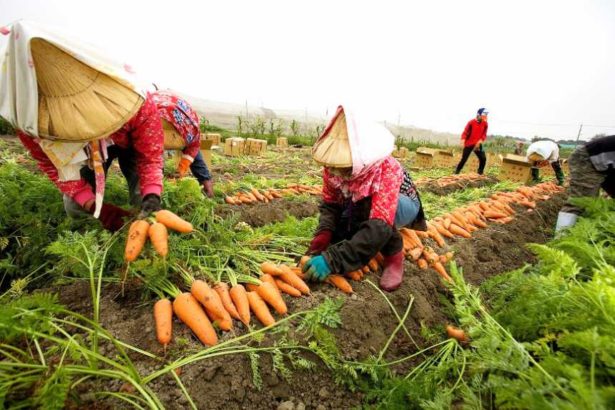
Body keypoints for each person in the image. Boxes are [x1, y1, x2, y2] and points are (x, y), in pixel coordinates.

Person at [1, 21, 164, 231]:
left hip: (128, 143)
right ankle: (91, 237)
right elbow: (54, 166)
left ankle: (144, 223)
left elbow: (150, 156)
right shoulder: (29, 121)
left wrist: (152, 194)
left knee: (143, 194)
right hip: (83, 153)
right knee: (74, 207)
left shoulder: (137, 101)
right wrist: (94, 206)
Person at [302, 106, 427, 292]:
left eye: (343, 168)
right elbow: (331, 204)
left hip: (403, 204)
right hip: (358, 201)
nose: (336, 173)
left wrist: (333, 261)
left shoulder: (385, 168)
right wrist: (324, 234)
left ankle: (394, 255)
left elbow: (380, 224)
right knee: (343, 229)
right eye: (334, 167)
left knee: (366, 212)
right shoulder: (333, 167)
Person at [152, 90, 214, 197]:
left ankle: (208, 189)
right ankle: (156, 189)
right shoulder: (150, 119)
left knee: (195, 156)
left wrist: (181, 169)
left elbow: (192, 151)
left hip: (178, 118)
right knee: (152, 157)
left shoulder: (191, 131)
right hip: (156, 117)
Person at [556, 135, 615, 231]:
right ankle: (560, 239)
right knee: (581, 201)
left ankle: (598, 229)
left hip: (609, 165)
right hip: (588, 158)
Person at [455, 108, 489, 174]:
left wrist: (481, 141)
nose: (484, 118)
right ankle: (457, 171)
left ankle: (480, 173)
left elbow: (484, 134)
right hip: (469, 144)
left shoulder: (485, 124)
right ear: (478, 115)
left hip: (478, 144)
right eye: (483, 116)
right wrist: (463, 140)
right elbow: (465, 132)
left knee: (483, 158)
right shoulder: (471, 122)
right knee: (464, 159)